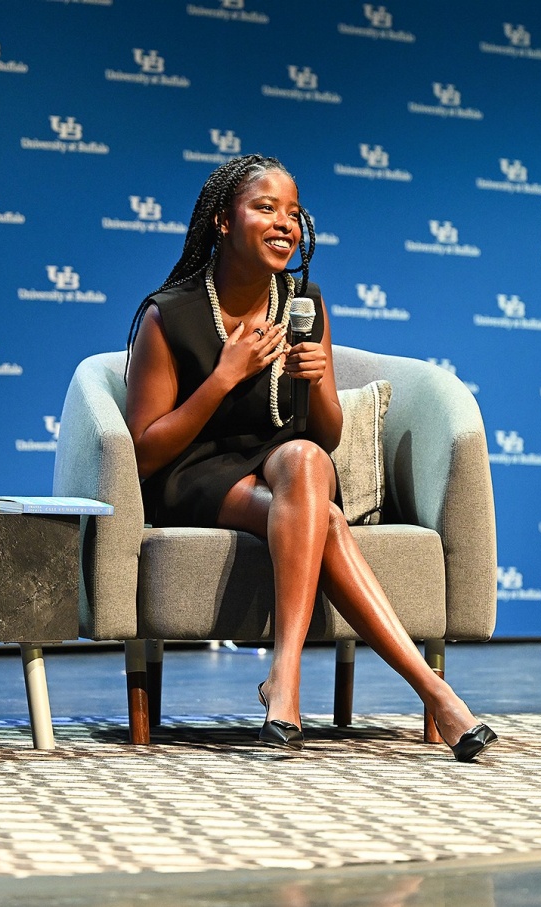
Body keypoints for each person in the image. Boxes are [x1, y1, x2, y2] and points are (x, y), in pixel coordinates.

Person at [124, 154, 497, 760]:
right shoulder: (170, 316)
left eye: (293, 213)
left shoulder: (304, 303)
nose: (285, 224)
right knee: (324, 518)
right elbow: (144, 452)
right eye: (265, 208)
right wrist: (223, 378)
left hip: (286, 465)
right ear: (223, 220)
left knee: (303, 459)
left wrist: (319, 380)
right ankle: (433, 693)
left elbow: (327, 433)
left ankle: (285, 678)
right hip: (196, 472)